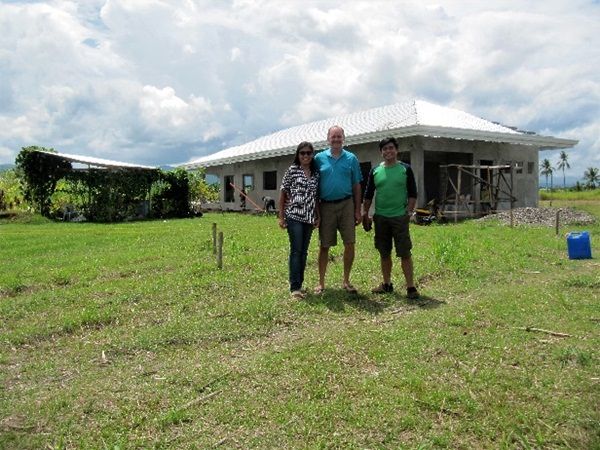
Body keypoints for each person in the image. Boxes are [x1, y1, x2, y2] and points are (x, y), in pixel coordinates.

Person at [362, 136, 419, 299]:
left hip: (400, 217)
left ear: (396, 150)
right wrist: (365, 213)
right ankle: (387, 284)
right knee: (384, 252)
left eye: (391, 148)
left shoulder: (405, 169)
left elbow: (413, 193)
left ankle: (411, 287)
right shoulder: (375, 171)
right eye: (385, 149)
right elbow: (368, 195)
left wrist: (408, 212)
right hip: (381, 218)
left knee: (405, 253)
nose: (388, 151)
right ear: (381, 152)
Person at [314, 125, 362, 294]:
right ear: (328, 139)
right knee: (324, 245)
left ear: (344, 138)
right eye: (333, 137)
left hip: (347, 204)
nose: (336, 139)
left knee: (350, 243)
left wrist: (358, 210)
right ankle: (321, 282)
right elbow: (313, 184)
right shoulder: (319, 158)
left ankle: (346, 280)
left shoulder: (351, 159)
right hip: (325, 206)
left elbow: (357, 185)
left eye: (339, 136)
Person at [278, 142, 320, 299]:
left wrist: (318, 215)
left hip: (309, 217)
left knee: (304, 252)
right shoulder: (292, 170)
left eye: (309, 153)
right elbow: (283, 193)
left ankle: (299, 284)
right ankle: (294, 287)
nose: (306, 156)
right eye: (302, 153)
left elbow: (315, 197)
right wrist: (281, 217)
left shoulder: (316, 173)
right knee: (296, 250)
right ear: (298, 155)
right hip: (294, 215)